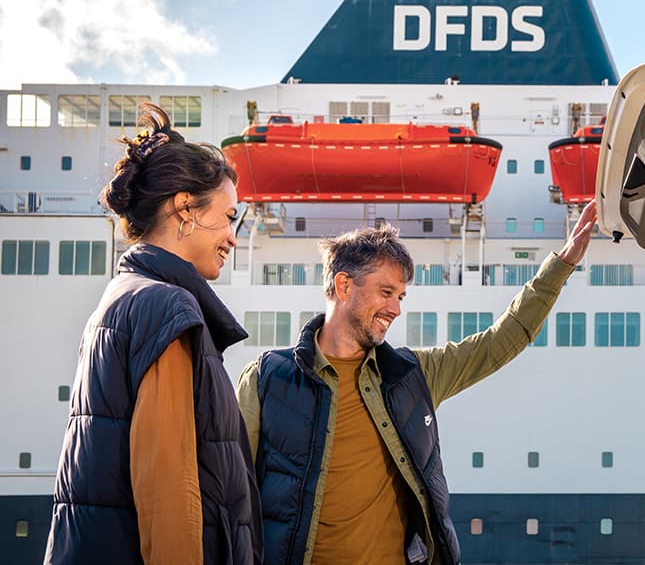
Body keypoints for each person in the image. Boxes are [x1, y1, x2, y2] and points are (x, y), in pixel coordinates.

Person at [236, 201, 598, 565]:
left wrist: (562, 263)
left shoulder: (411, 375)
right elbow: (232, 491)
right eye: (386, 292)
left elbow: (499, 342)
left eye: (401, 296)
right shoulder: (267, 378)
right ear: (344, 285)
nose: (396, 309)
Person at [44, 103, 262, 564]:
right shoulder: (166, 305)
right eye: (228, 217)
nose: (233, 237)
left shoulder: (121, 298)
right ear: (186, 209)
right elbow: (168, 489)